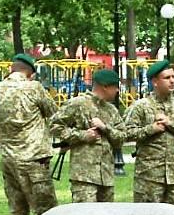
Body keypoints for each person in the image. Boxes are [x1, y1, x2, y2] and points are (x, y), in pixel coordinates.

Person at [0, 53, 59, 215]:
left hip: (8, 159)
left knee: (17, 211)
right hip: (33, 160)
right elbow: (54, 113)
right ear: (30, 72)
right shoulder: (34, 88)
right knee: (46, 211)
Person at [123, 59, 174, 205]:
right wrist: (151, 129)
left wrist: (171, 124)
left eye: (173, 77)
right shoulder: (141, 106)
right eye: (167, 78)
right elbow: (126, 133)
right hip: (149, 177)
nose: (172, 81)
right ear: (155, 82)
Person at [51, 68, 125, 203]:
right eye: (115, 87)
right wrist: (82, 135)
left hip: (106, 177)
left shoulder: (111, 110)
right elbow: (55, 126)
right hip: (84, 177)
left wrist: (105, 128)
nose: (117, 91)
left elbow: (121, 138)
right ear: (105, 87)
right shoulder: (78, 104)